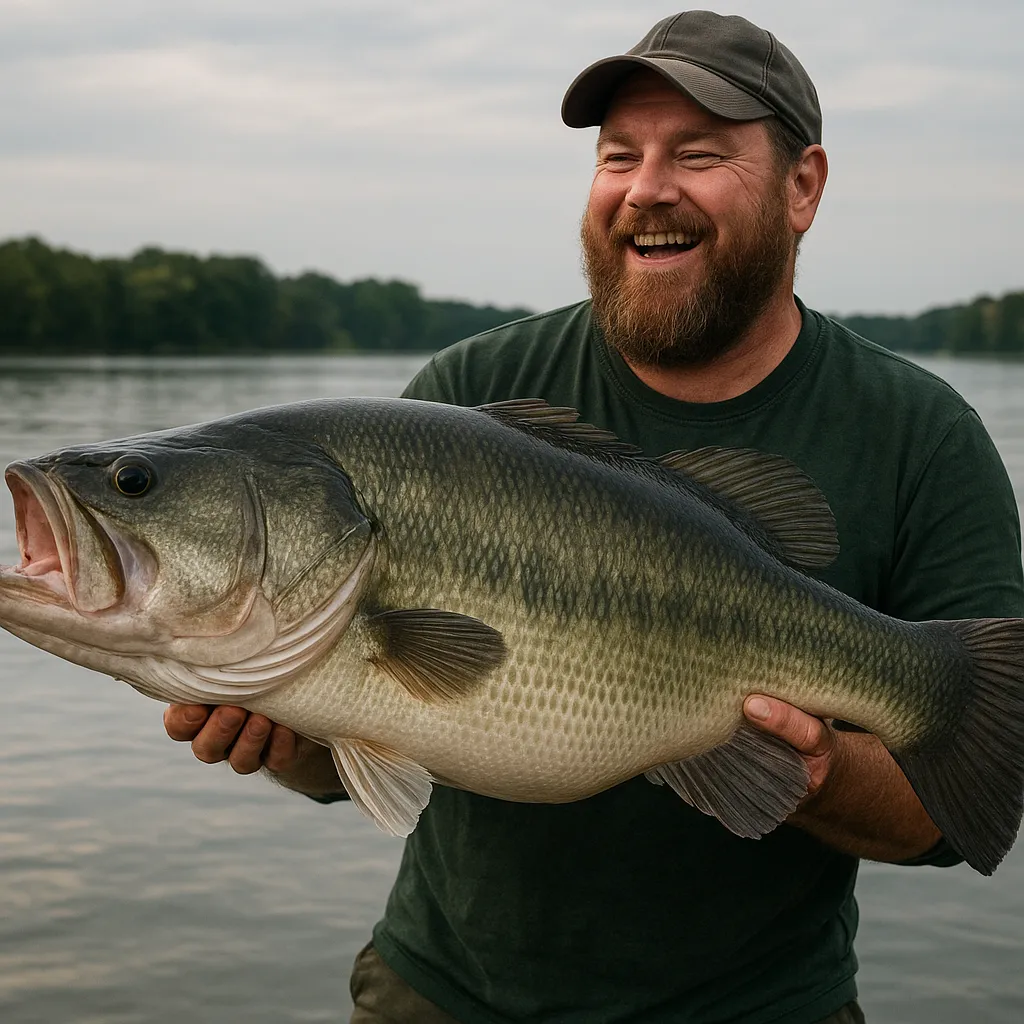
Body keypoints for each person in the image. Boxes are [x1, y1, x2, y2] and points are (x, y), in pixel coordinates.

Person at [164, 12, 1024, 1023]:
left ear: (803, 188)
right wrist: (279, 724)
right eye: (619, 155)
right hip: (442, 998)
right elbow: (366, 746)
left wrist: (812, 764)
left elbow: (942, 812)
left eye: (697, 153)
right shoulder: (469, 392)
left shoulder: (918, 435)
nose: (645, 187)